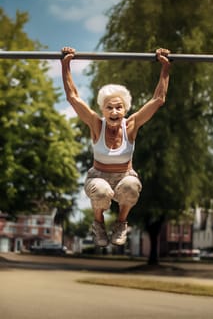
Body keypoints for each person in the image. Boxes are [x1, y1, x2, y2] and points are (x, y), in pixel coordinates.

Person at [61, 46, 170, 247]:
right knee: (101, 191)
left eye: (118, 107)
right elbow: (73, 98)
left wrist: (165, 68)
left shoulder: (131, 125)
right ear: (102, 109)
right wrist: (65, 64)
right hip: (98, 176)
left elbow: (158, 100)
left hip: (125, 176)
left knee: (130, 187)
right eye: (109, 107)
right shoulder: (96, 124)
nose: (114, 111)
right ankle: (98, 224)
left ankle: (121, 223)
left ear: (125, 109)